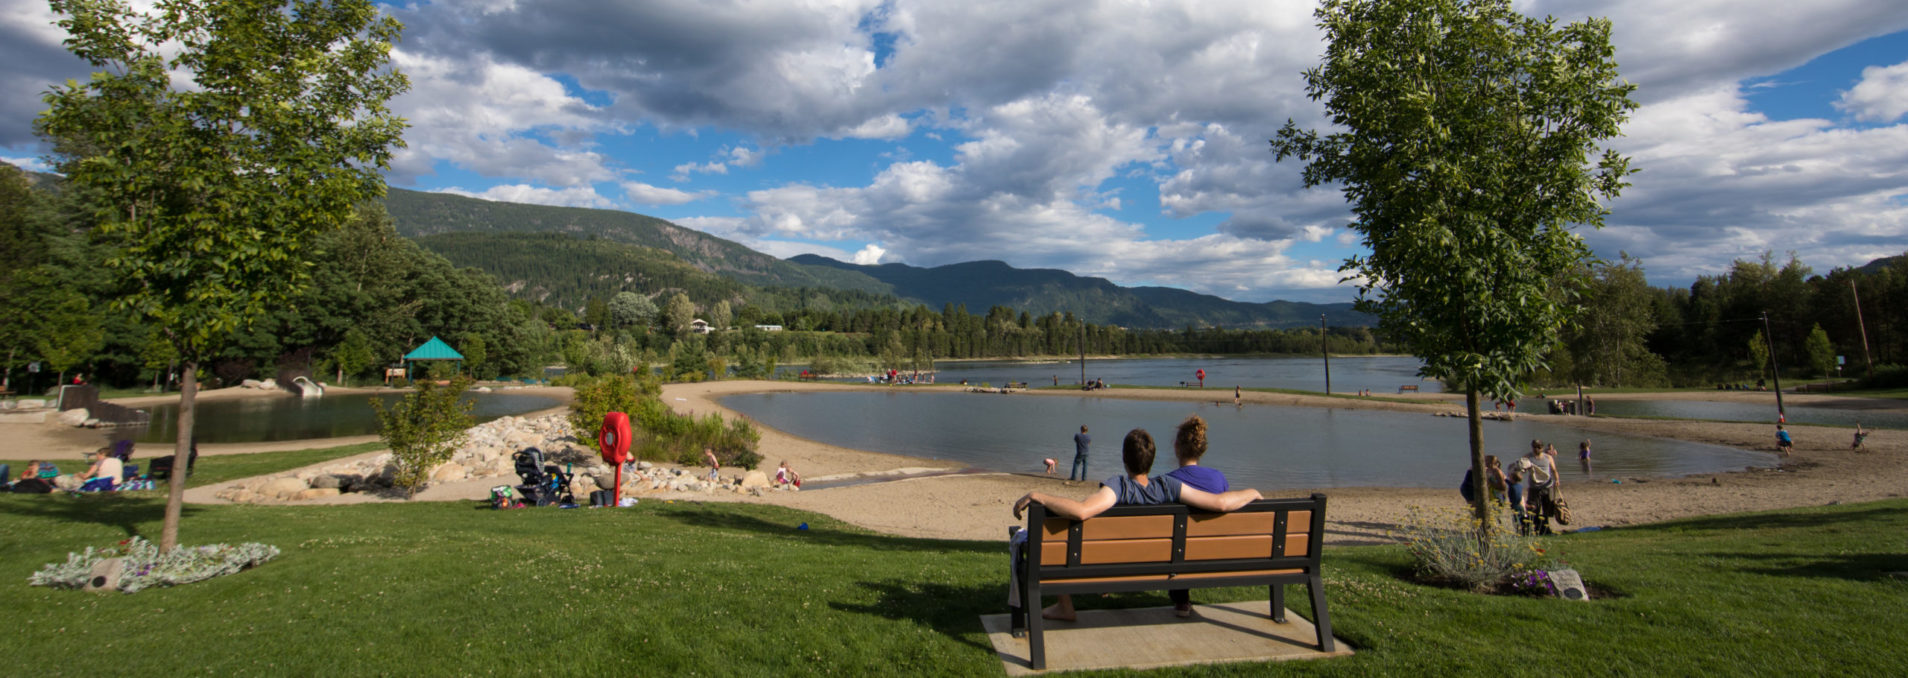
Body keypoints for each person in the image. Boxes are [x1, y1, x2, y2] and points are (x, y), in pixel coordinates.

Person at [1011, 428, 1264, 621]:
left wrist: (1038, 495)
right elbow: (1220, 503)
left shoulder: (1119, 486)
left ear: (1124, 458)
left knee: (1060, 535)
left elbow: (1081, 511)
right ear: (1152, 459)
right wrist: (1252, 491)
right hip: (1159, 565)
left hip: (1110, 567)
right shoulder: (1169, 486)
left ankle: (1065, 605)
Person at [1163, 415, 1227, 617]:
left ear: (1176, 447)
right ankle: (1182, 601)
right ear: (1202, 449)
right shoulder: (1218, 478)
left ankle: (1181, 600)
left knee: (1178, 545)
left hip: (1178, 555)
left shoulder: (1167, 482)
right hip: (1215, 552)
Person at [1510, 440, 1560, 535]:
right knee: (1533, 509)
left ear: (1542, 447)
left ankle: (1545, 528)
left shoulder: (1548, 457)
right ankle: (1536, 528)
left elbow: (1554, 470)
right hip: (1534, 488)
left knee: (1547, 508)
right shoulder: (1528, 457)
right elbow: (1519, 467)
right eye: (1534, 447)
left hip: (1547, 486)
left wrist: (1557, 480)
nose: (1536, 449)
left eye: (1539, 447)